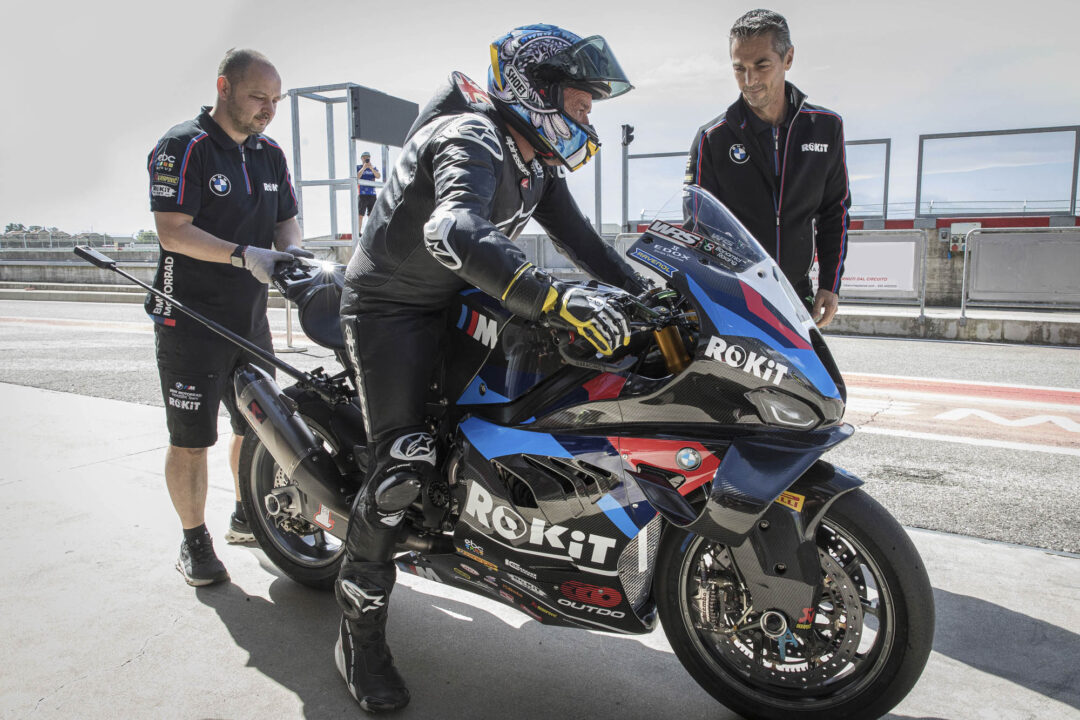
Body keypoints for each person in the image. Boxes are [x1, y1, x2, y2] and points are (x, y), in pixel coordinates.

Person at [334, 24, 646, 712]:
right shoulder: (472, 137)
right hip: (390, 307)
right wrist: (552, 297)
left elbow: (586, 245)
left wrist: (650, 294)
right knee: (401, 468)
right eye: (580, 103)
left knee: (534, 396)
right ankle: (360, 637)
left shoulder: (535, 163)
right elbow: (452, 228)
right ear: (536, 92)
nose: (586, 117)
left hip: (458, 295)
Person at [146, 48, 312, 586]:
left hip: (250, 320)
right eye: (258, 97)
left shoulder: (270, 154)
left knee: (258, 428)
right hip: (189, 321)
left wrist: (290, 252)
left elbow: (286, 221)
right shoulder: (183, 146)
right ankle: (194, 540)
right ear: (224, 88)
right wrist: (244, 254)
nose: (268, 109)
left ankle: (248, 516)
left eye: (276, 100)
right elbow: (172, 231)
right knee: (192, 439)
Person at [686, 9, 851, 328]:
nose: (750, 81)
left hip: (796, 295)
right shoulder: (713, 138)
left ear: (788, 58)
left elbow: (835, 212)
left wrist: (830, 284)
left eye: (761, 65)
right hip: (735, 299)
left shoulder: (826, 128)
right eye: (739, 68)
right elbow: (698, 228)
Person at [356, 151, 381, 232]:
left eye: (367, 157)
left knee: (372, 215)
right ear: (361, 158)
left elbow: (378, 176)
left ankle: (370, 232)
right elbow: (357, 176)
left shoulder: (373, 167)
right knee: (360, 214)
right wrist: (364, 168)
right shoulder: (358, 167)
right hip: (362, 194)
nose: (366, 159)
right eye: (364, 157)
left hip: (372, 194)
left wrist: (371, 168)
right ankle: (358, 232)